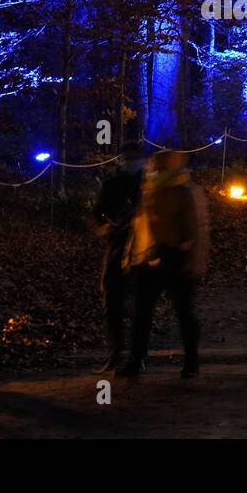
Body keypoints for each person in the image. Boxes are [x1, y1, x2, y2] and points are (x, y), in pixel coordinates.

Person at [124, 150, 209, 379]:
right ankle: (136, 358)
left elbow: (196, 229)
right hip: (148, 258)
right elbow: (140, 226)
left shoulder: (184, 192)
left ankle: (191, 360)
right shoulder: (150, 190)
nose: (154, 169)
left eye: (159, 166)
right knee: (142, 312)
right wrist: (132, 256)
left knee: (183, 312)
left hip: (176, 260)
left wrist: (191, 261)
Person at [90, 142, 145, 372]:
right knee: (112, 301)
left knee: (140, 304)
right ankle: (115, 353)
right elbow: (96, 213)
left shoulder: (148, 184)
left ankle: (137, 356)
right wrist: (104, 227)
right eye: (127, 157)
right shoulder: (112, 184)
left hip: (143, 249)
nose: (130, 161)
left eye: (134, 157)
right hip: (116, 247)